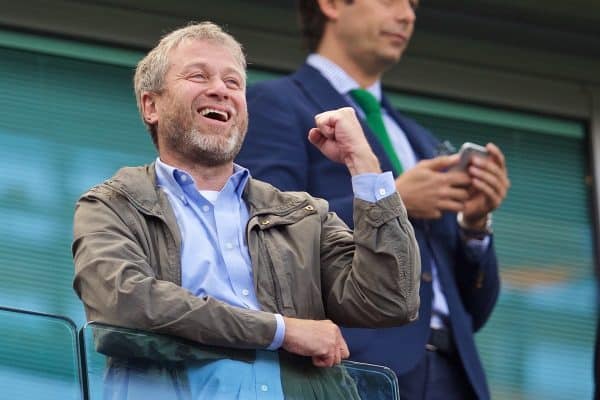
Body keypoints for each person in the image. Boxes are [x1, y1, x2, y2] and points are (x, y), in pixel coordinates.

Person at [72, 21, 420, 398]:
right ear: (151, 105)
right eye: (198, 75)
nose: (220, 90)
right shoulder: (112, 206)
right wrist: (281, 331)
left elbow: (392, 300)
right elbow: (127, 306)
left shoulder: (302, 215)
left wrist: (362, 162)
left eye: (233, 83)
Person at [236, 1, 510, 399]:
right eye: (390, 0)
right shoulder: (277, 104)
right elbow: (265, 235)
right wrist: (391, 199)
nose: (408, 15)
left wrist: (475, 227)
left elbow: (474, 310)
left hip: (457, 376)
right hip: (356, 369)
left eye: (413, 5)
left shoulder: (417, 138)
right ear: (330, 5)